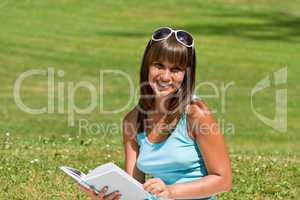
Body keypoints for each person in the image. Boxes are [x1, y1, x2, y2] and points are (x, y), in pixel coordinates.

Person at [81, 27, 232, 200]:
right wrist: (109, 195)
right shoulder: (133, 120)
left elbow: (223, 180)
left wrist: (171, 191)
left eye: (175, 69)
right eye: (159, 66)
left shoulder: (195, 114)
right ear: (147, 66)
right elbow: (134, 190)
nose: (165, 77)